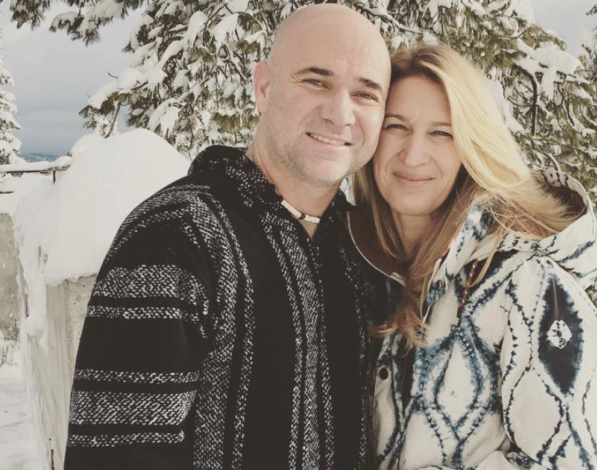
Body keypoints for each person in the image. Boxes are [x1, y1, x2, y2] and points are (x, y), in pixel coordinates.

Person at [64, 5, 391, 470]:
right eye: (316, 81)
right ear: (263, 87)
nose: (341, 113)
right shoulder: (174, 237)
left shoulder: (364, 247)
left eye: (366, 94)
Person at [350, 45, 597, 470]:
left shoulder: (528, 285)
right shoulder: (357, 265)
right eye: (397, 126)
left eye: (442, 133)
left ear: (472, 146)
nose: (413, 155)